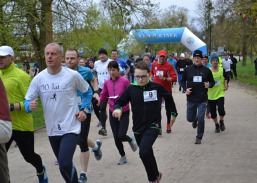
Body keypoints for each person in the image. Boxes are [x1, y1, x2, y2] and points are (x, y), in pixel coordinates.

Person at [24, 42, 89, 183]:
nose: (49, 57)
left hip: (70, 126)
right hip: (52, 129)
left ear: (61, 57)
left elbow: (87, 91)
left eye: (53, 54)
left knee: (65, 162)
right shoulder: (38, 79)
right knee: (63, 166)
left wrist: (85, 108)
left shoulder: (72, 75)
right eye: (47, 54)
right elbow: (27, 100)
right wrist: (29, 105)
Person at [113, 61, 176, 182]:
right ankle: (157, 174)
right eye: (137, 77)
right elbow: (120, 102)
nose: (140, 79)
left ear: (149, 75)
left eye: (143, 76)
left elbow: (168, 97)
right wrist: (117, 108)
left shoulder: (156, 87)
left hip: (153, 125)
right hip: (138, 128)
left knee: (144, 152)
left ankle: (152, 179)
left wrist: (173, 113)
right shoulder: (131, 89)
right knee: (147, 153)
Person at [0, 45, 48, 183]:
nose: (0, 59)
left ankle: (41, 169)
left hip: (21, 125)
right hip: (4, 124)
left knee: (29, 156)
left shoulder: (21, 76)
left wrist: (11, 107)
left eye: (3, 57)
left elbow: (31, 102)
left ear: (12, 58)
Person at [65, 49, 102, 183]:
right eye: (67, 58)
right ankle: (96, 146)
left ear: (78, 58)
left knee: (81, 140)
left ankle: (83, 174)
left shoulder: (85, 71)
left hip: (84, 108)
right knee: (78, 138)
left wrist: (96, 92)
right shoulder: (62, 72)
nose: (69, 61)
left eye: (72, 58)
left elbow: (94, 80)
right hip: (69, 110)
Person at [100, 61, 138, 165]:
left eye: (114, 70)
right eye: (110, 70)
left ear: (118, 70)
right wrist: (99, 100)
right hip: (112, 111)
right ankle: (123, 156)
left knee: (121, 135)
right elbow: (103, 94)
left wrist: (135, 103)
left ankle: (130, 139)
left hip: (124, 111)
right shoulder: (107, 82)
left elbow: (131, 93)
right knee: (116, 137)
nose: (112, 72)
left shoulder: (125, 81)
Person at [181, 50, 215, 144]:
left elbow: (212, 82)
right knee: (189, 119)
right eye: (195, 58)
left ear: (201, 59)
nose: (196, 60)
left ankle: (199, 137)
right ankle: (194, 119)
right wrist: (185, 89)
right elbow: (182, 81)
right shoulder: (188, 70)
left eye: (198, 58)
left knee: (201, 118)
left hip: (202, 98)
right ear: (193, 58)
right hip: (191, 98)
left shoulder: (206, 70)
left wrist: (209, 85)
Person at [150, 50, 178, 134]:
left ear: (165, 57)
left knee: (168, 108)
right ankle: (159, 127)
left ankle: (168, 124)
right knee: (157, 108)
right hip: (156, 90)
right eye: (160, 56)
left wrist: (165, 79)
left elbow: (174, 78)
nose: (162, 58)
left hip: (166, 90)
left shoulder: (169, 65)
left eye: (163, 56)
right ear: (158, 56)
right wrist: (151, 78)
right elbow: (151, 73)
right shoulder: (154, 64)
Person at [93, 48, 113, 136]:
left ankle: (117, 124)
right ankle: (103, 127)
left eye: (103, 54)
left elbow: (119, 71)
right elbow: (94, 74)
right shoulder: (96, 63)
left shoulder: (111, 62)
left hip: (112, 87)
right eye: (100, 54)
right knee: (101, 107)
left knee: (114, 106)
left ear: (106, 54)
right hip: (102, 88)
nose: (101, 56)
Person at [208, 55, 228, 133]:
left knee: (221, 110)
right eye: (213, 60)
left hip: (220, 93)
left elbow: (226, 77)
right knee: (213, 113)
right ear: (211, 62)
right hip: (211, 95)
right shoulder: (208, 71)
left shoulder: (222, 70)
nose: (215, 62)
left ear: (218, 62)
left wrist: (226, 84)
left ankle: (221, 121)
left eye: (216, 60)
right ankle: (216, 125)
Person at [0, 78, 12, 183]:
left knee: (29, 156)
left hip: (4, 125)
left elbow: (28, 101)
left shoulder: (21, 76)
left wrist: (13, 106)